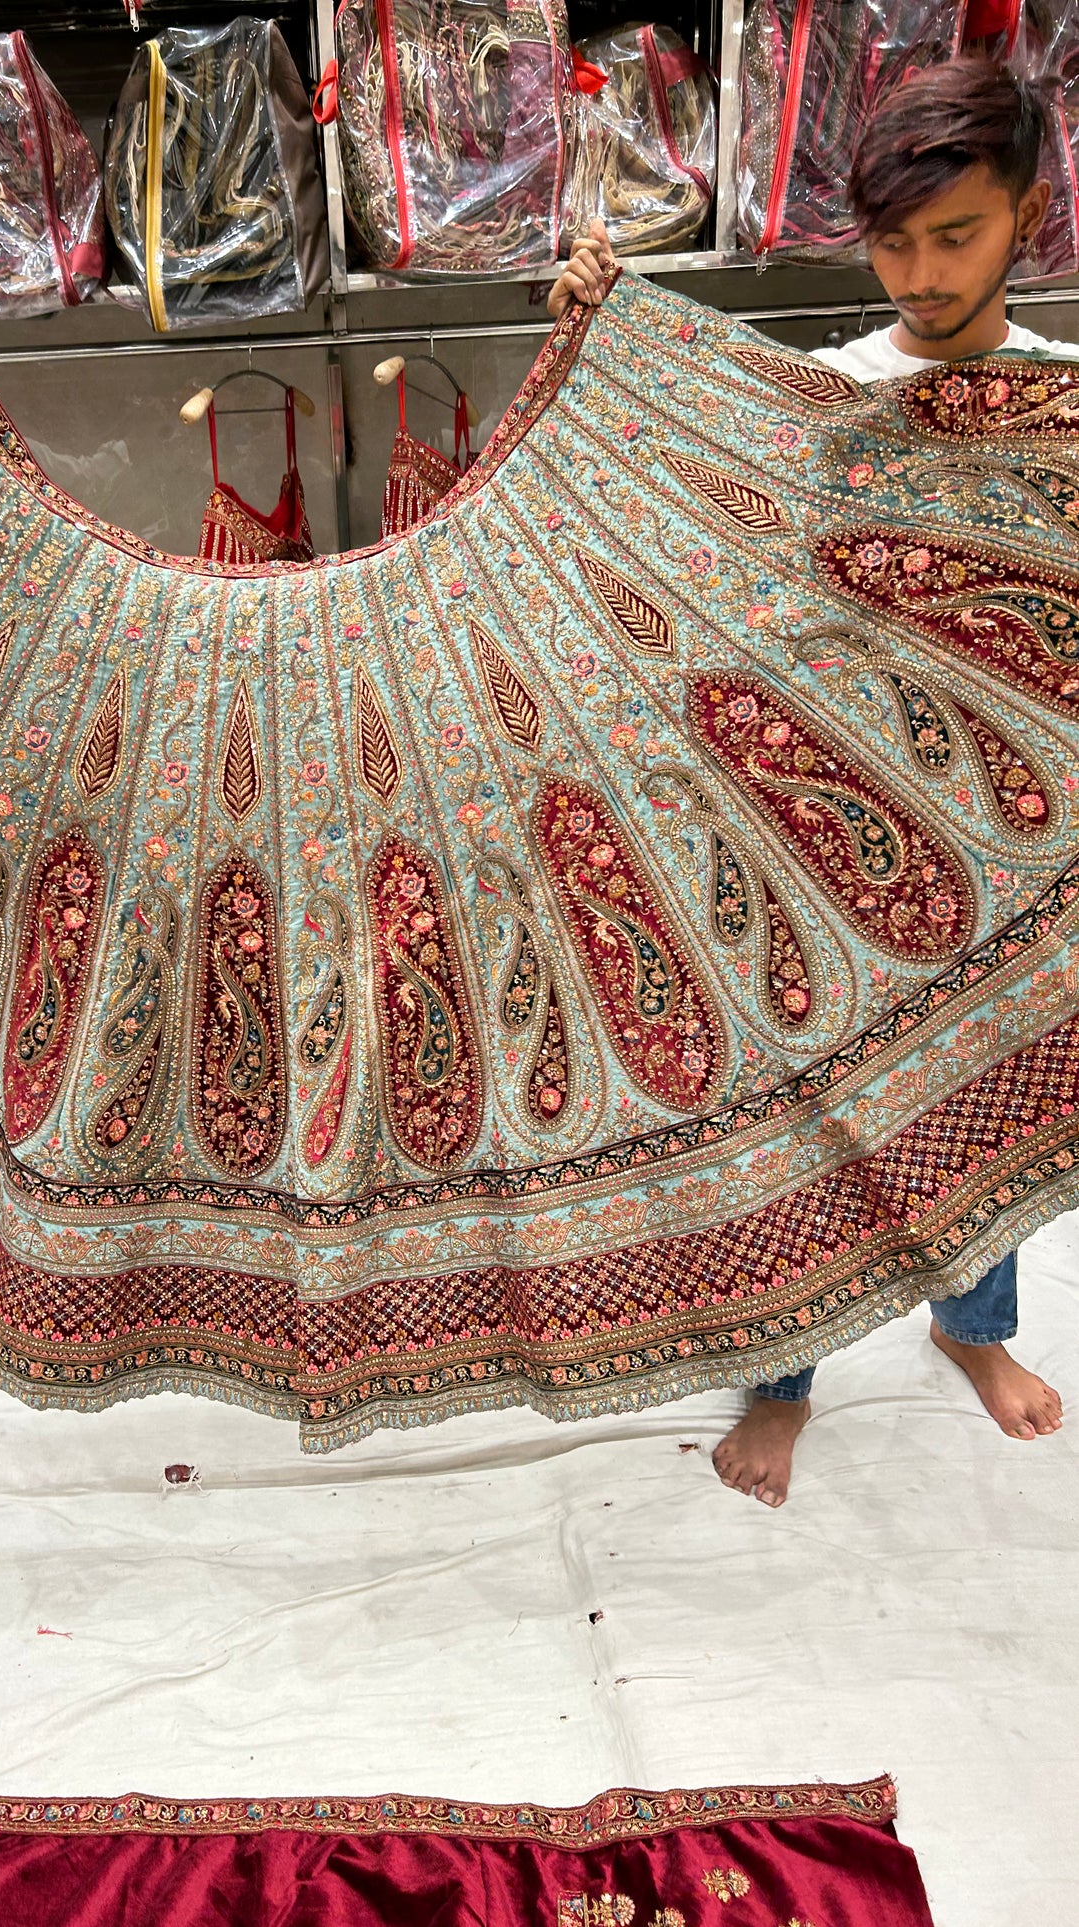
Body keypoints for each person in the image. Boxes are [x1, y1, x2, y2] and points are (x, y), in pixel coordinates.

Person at [549, 56, 1067, 1505]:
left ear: (1025, 214)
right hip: (813, 827)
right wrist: (605, 350)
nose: (918, 272)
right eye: (891, 241)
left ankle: (975, 1330)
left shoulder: (1065, 408)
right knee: (810, 1109)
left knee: (991, 1088)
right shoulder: (818, 398)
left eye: (953, 234)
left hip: (1010, 847)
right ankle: (783, 1375)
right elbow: (675, 530)